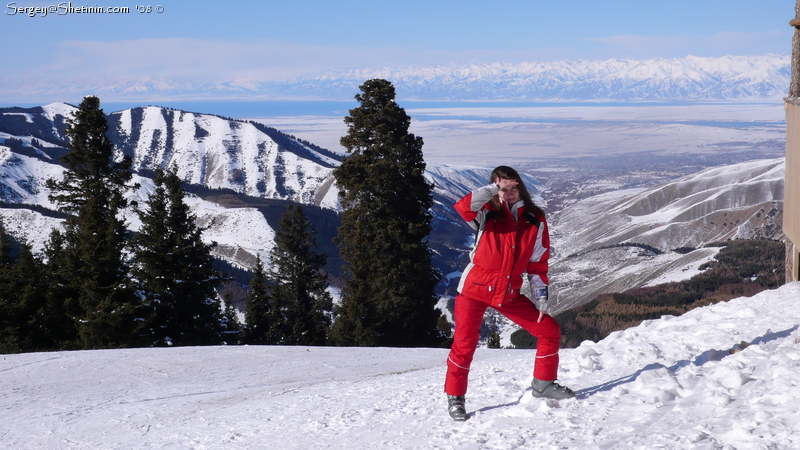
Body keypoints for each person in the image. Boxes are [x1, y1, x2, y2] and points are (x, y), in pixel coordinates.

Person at [445, 165, 574, 421]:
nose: (510, 192)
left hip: (508, 292)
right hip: (475, 289)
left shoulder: (535, 219)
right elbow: (462, 207)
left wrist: (540, 299)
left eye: (514, 186)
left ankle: (544, 384)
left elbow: (538, 262)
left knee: (549, 330)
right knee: (464, 345)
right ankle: (455, 398)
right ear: (495, 188)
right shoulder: (485, 213)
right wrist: (496, 189)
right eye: (505, 187)